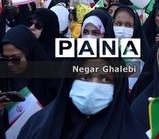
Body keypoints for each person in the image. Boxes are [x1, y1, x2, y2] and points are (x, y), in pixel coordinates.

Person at [18, 58, 147, 138]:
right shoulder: (38, 126)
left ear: (117, 86)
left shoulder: (131, 134)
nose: (94, 87)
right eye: (85, 77)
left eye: (105, 79)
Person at [0, 26, 58, 107]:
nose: (10, 64)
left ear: (29, 54)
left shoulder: (50, 80)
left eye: (15, 59)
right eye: (5, 59)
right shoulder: (4, 79)